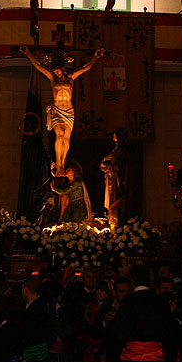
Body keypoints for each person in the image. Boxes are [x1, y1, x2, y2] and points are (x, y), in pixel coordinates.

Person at [20, 45, 104, 175]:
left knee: (66, 139)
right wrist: (28, 54)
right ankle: (59, 165)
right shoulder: (53, 79)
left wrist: (95, 58)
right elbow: (38, 66)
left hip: (69, 112)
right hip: (57, 111)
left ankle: (63, 163)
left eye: (58, 70)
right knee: (59, 137)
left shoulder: (71, 78)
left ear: (62, 68)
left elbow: (84, 68)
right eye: (54, 71)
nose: (56, 73)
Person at [110, 264, 177, 362]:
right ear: (150, 280)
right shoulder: (161, 301)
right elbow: (169, 333)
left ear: (132, 282)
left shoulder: (127, 301)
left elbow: (118, 331)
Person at [101, 126, 129, 228]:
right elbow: (105, 164)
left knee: (114, 204)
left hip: (116, 180)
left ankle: (115, 227)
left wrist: (108, 163)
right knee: (111, 204)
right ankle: (112, 226)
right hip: (110, 180)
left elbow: (116, 164)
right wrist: (105, 162)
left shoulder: (122, 151)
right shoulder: (115, 150)